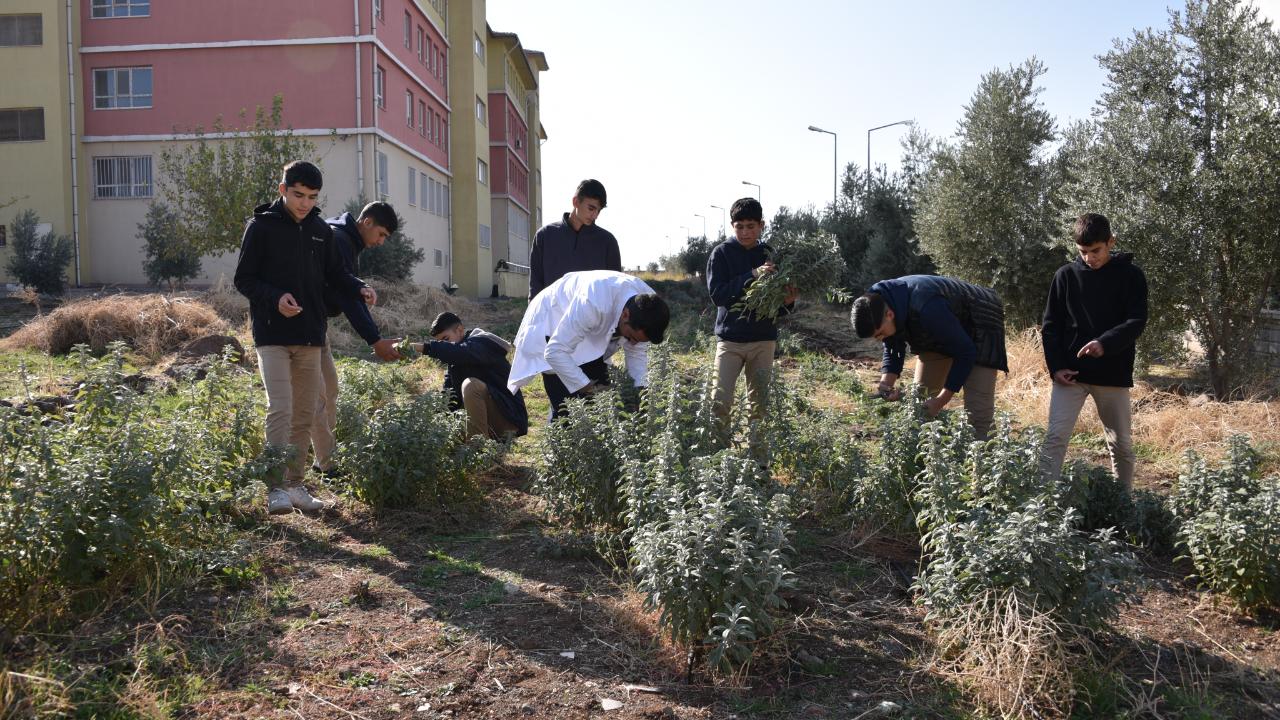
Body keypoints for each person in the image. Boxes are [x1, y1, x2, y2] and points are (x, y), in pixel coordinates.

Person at [234, 161, 368, 514]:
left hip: (310, 335)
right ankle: (275, 487)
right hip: (272, 335)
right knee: (281, 407)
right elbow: (243, 280)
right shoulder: (260, 227)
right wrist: (275, 298)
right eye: (298, 195)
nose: (304, 203)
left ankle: (295, 485)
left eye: (311, 197)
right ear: (283, 190)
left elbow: (336, 275)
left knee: (305, 412)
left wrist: (360, 287)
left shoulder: (321, 230)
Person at [1039, 213, 1148, 492]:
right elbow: (1050, 327)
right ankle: (1043, 504)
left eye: (1095, 250)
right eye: (1083, 252)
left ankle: (1122, 503)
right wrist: (1056, 367)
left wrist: (1104, 343)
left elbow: (1136, 321)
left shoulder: (1131, 276)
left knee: (1120, 443)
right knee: (1054, 438)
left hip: (1112, 373)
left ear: (1111, 242)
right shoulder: (1065, 276)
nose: (1089, 258)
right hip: (1070, 376)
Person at [309, 202, 403, 478]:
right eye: (382, 234)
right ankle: (324, 466)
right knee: (317, 397)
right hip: (300, 327)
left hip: (317, 326)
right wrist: (375, 340)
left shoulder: (344, 237)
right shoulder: (339, 239)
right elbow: (345, 294)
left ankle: (322, 459)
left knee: (330, 389)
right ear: (367, 222)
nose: (381, 242)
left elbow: (347, 286)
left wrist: (360, 287)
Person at [851, 275, 1008, 439]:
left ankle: (984, 459)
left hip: (981, 321)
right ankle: (926, 460)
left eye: (880, 334)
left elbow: (965, 352)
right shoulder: (878, 304)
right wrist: (886, 384)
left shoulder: (927, 307)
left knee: (978, 414)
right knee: (919, 403)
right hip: (940, 329)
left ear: (890, 314)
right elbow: (892, 343)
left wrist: (941, 401)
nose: (880, 339)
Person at [508, 270, 670, 418]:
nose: (633, 344)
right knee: (567, 411)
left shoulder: (648, 307)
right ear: (626, 315)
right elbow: (555, 351)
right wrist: (588, 388)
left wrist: (640, 397)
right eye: (630, 337)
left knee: (602, 409)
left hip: (589, 326)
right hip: (552, 317)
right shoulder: (594, 301)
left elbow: (637, 357)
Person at [706, 197, 797, 445]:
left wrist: (788, 302)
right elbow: (718, 296)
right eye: (740, 226)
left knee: (760, 406)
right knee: (719, 400)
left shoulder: (770, 255)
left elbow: (778, 306)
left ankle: (760, 464)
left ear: (761, 225)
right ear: (732, 226)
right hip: (730, 341)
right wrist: (752, 275)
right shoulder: (721, 254)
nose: (745, 232)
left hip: (763, 340)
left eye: (751, 226)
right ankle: (719, 460)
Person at [408, 312, 528, 439]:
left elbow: (462, 352)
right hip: (487, 422)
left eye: (445, 340)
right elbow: (448, 400)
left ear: (460, 330)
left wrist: (424, 348)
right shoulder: (455, 359)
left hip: (509, 420)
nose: (444, 345)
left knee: (471, 385)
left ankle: (477, 448)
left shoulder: (482, 344)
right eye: (440, 342)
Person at [528, 179, 621, 299]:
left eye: (599, 210)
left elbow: (615, 291)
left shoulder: (608, 242)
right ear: (576, 202)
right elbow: (535, 286)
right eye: (591, 208)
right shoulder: (545, 236)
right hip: (552, 316)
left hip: (593, 317)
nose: (595, 215)